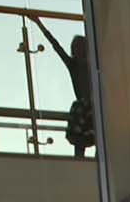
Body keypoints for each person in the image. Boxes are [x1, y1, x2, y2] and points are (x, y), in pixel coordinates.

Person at [29, 17, 94, 157]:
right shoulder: (83, 65)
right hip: (89, 106)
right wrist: (39, 24)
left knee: (81, 139)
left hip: (85, 107)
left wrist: (39, 23)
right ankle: (84, 162)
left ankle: (81, 162)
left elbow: (56, 46)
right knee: (89, 136)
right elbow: (56, 46)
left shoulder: (80, 65)